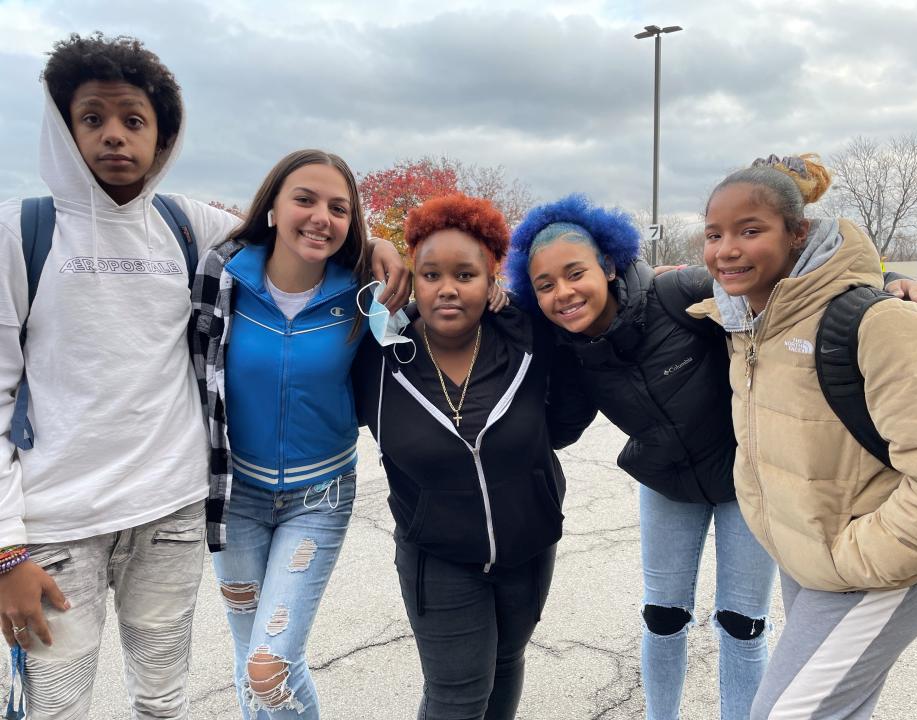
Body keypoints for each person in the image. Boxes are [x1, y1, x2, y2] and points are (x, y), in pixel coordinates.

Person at [0, 33, 407, 720]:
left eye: (134, 120)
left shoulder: (184, 227)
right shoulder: (24, 234)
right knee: (55, 710)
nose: (113, 137)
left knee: (187, 696)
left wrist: (382, 245)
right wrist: (6, 552)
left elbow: (313, 237)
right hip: (66, 523)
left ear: (162, 137)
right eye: (92, 118)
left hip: (178, 511)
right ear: (64, 127)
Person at [504, 194, 917, 719]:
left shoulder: (675, 294)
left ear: (608, 264)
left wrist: (885, 288)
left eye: (575, 273)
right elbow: (558, 429)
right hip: (666, 483)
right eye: (545, 286)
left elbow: (791, 294)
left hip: (747, 483)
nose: (563, 293)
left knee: (741, 624)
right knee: (662, 617)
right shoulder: (571, 350)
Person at [688, 153, 917, 719]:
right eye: (714, 233)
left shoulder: (879, 322)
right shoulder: (746, 322)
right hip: (810, 555)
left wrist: (864, 556)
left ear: (798, 233)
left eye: (750, 230)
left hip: (879, 567)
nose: (726, 249)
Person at [351, 194, 591, 720]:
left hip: (529, 548)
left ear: (491, 281)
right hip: (438, 558)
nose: (449, 288)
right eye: (432, 274)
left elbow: (571, 404)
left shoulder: (528, 336)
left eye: (466, 274)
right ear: (413, 278)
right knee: (457, 698)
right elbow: (310, 259)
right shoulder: (377, 357)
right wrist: (373, 243)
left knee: (507, 664)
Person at [192, 148, 381, 718]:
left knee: (269, 666)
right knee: (250, 657)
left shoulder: (363, 292)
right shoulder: (221, 278)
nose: (321, 216)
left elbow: (436, 322)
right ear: (273, 206)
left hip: (319, 498)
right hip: (235, 496)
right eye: (305, 199)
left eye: (339, 207)